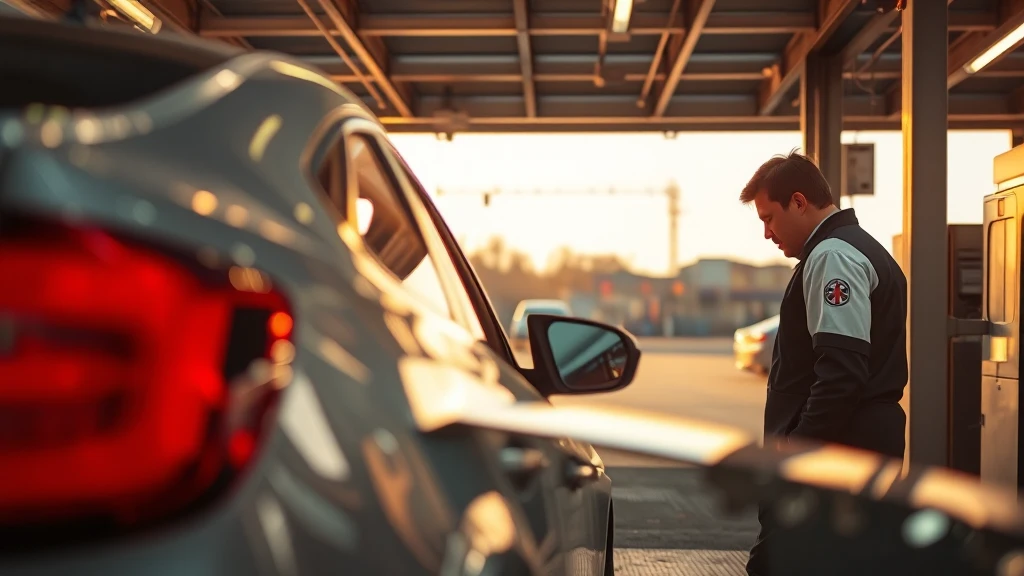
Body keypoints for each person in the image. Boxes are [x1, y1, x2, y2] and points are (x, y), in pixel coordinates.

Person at [738, 150, 908, 576]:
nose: (766, 233)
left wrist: (796, 451)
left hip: (835, 455)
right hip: (855, 446)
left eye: (768, 218)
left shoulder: (834, 256)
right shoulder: (860, 248)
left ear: (798, 202)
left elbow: (841, 374)